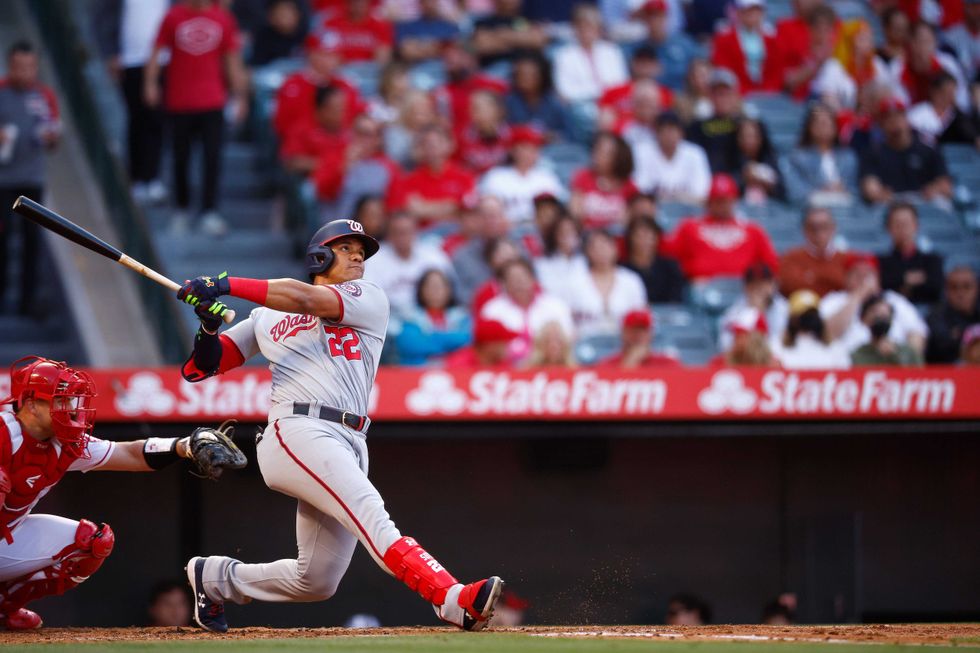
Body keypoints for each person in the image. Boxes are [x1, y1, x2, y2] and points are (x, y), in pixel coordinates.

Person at [175, 220, 504, 633]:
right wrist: (208, 325)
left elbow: (305, 298)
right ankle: (452, 598)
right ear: (319, 256)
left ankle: (217, 578)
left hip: (349, 437)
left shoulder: (367, 296)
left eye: (361, 253)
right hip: (297, 428)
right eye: (346, 248)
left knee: (316, 580)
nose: (357, 258)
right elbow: (200, 368)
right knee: (372, 515)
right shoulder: (265, 315)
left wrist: (222, 284)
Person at [0, 356, 244, 630]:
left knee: (93, 540)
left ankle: (4, 607)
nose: (70, 409)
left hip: (7, 536)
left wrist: (184, 445)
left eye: (71, 400)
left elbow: (127, 453)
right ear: (31, 405)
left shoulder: (66, 444)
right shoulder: (4, 432)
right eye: (60, 400)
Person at [144, 0, 248, 236]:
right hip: (179, 100)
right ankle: (181, 210)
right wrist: (150, 82)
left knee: (212, 158)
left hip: (212, 101)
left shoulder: (223, 19)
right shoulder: (173, 17)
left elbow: (232, 59)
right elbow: (157, 50)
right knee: (180, 157)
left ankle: (209, 211)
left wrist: (240, 95)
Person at [0, 42, 61, 317]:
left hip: (31, 181)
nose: (23, 73)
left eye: (28, 67)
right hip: (3, 181)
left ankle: (28, 304)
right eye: (17, 67)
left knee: (32, 243)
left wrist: (51, 137)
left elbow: (54, 132)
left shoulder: (44, 95)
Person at [95, 0, 169, 203]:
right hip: (130, 60)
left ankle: (152, 176)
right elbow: (104, 17)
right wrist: (110, 53)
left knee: (156, 119)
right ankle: (136, 177)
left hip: (163, 60)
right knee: (136, 118)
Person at [662, 174, 780, 282]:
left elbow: (771, 265)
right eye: (717, 201)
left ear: (734, 201)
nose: (722, 206)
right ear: (708, 202)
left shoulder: (753, 231)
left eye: (726, 200)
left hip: (745, 293)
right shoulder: (689, 227)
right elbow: (666, 254)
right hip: (701, 291)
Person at [819, 252, 928, 355]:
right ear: (846, 278)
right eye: (857, 274)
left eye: (868, 274)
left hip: (890, 364)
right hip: (846, 367)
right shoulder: (835, 300)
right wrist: (858, 295)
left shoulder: (893, 300)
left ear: (878, 277)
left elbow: (917, 333)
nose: (863, 280)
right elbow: (827, 333)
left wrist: (904, 356)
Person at [859, 98, 953, 206]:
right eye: (888, 117)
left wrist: (935, 188)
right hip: (891, 204)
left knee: (942, 203)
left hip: (923, 202)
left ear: (907, 119)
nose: (894, 121)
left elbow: (946, 185)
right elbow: (870, 187)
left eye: (899, 115)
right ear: (881, 124)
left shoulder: (927, 150)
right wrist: (877, 192)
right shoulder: (873, 153)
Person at [479, 258, 575, 363]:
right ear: (504, 284)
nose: (518, 283)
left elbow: (568, 338)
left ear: (533, 278)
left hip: (547, 366)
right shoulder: (492, 310)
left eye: (522, 277)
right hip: (506, 369)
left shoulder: (555, 305)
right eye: (513, 279)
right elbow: (485, 349)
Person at [272, 30, 362, 140]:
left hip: (339, 145)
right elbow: (282, 125)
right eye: (323, 54)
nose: (328, 60)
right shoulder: (293, 85)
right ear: (310, 54)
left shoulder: (346, 85)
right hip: (301, 145)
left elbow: (352, 122)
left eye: (333, 55)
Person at [363, 213, 453, 316]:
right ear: (388, 234)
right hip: (389, 318)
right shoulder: (373, 259)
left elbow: (451, 291)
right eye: (398, 232)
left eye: (408, 231)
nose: (403, 237)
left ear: (416, 232)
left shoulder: (434, 255)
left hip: (428, 319)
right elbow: (369, 299)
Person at [387, 124, 477, 228]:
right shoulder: (409, 179)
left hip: (457, 235)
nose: (432, 148)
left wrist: (424, 208)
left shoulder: (464, 177)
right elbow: (407, 212)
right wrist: (450, 206)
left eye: (437, 143)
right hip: (422, 237)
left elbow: (468, 212)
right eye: (426, 144)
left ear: (449, 144)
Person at [313, 115, 402, 219]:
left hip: (372, 231)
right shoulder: (335, 157)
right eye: (358, 133)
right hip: (337, 226)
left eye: (367, 135)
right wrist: (344, 167)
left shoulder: (389, 167)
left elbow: (394, 206)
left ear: (377, 140)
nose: (361, 139)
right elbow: (322, 192)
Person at [566, 229, 648, 338]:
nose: (601, 252)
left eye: (605, 246)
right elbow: (566, 319)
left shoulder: (631, 280)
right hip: (584, 344)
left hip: (625, 343)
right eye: (596, 248)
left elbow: (642, 318)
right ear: (587, 252)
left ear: (615, 249)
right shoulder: (575, 282)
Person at [479, 125, 564, 225]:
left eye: (534, 147)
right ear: (512, 150)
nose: (529, 153)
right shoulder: (495, 177)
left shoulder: (547, 178)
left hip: (539, 232)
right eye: (525, 147)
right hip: (505, 232)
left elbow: (558, 210)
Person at [783, 103, 859, 206]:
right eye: (818, 123)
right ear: (809, 127)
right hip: (813, 208)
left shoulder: (849, 157)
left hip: (846, 207)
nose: (823, 126)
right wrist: (823, 189)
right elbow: (796, 192)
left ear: (835, 128)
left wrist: (843, 188)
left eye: (827, 123)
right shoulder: (796, 158)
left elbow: (856, 190)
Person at [553, 4, 629, 103]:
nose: (586, 31)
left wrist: (601, 94)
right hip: (580, 104)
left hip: (611, 102)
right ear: (575, 29)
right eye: (582, 27)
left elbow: (621, 82)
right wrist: (598, 92)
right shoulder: (563, 55)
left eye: (590, 27)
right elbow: (565, 90)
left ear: (598, 29)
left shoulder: (612, 51)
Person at [395, 269, 472, 366]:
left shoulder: (461, 316)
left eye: (439, 286)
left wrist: (428, 338)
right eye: (430, 286)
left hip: (455, 372)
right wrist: (450, 344)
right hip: (415, 374)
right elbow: (410, 344)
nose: (435, 290)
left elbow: (467, 341)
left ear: (449, 289)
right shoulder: (409, 316)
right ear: (421, 290)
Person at [632, 110, 711, 204]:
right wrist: (677, 196)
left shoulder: (695, 153)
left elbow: (702, 194)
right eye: (664, 130)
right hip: (654, 209)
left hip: (688, 210)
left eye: (672, 130)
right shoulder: (642, 151)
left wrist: (671, 196)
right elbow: (639, 189)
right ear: (656, 133)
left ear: (681, 133)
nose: (668, 135)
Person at [710, 0, 783, 94]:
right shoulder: (723, 39)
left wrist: (767, 92)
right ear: (739, 12)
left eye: (756, 10)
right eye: (749, 10)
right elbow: (724, 69)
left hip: (768, 94)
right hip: (737, 94)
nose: (753, 14)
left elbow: (776, 71)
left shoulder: (772, 40)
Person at [877, 201, 944, 305]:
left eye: (906, 223)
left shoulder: (932, 260)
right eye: (897, 224)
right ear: (888, 228)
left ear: (916, 226)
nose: (903, 229)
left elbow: (935, 288)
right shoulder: (880, 261)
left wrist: (900, 283)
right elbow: (882, 285)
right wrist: (906, 279)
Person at [569, 132, 639, 230]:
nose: (598, 156)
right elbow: (575, 213)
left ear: (618, 157)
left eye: (605, 152)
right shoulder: (582, 177)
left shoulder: (629, 185)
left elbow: (633, 219)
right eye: (597, 150)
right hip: (588, 237)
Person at [895, 21, 969, 110]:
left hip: (946, 115)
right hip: (914, 117)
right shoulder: (898, 67)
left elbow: (962, 97)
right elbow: (900, 104)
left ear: (935, 43)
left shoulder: (947, 63)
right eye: (919, 41)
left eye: (928, 41)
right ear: (911, 43)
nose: (923, 47)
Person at [632, 0, 702, 90]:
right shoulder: (637, 48)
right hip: (652, 98)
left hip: (682, 96)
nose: (654, 21)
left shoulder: (683, 43)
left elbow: (700, 66)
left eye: (658, 16)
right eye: (650, 17)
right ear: (644, 20)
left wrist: (663, 73)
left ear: (665, 17)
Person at [778, 206, 848, 297]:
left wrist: (812, 278)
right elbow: (790, 286)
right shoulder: (790, 257)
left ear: (833, 228)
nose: (819, 233)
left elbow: (850, 287)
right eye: (813, 227)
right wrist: (832, 282)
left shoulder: (846, 259)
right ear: (804, 230)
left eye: (824, 226)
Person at [718, 262, 788, 353]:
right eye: (754, 283)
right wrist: (753, 312)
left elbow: (786, 345)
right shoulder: (734, 313)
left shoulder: (784, 309)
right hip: (745, 362)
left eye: (764, 283)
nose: (759, 288)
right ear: (746, 287)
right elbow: (725, 346)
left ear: (773, 284)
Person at [280, 85, 350, 176]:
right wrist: (331, 165)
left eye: (343, 108)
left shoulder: (348, 129)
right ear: (321, 110)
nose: (342, 113)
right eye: (337, 109)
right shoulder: (302, 130)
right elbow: (292, 162)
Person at [774, 289, 851, 369]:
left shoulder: (834, 347)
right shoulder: (778, 346)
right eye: (804, 314)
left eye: (812, 313)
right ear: (793, 318)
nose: (809, 318)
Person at [503, 51, 571, 140]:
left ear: (542, 76)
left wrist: (550, 136)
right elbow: (503, 133)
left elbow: (569, 135)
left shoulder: (554, 102)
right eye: (521, 74)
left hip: (550, 150)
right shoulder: (508, 102)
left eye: (531, 75)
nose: (525, 79)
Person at [685, 68, 743, 174]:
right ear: (710, 96)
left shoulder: (746, 126)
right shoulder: (697, 127)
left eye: (727, 94)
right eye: (719, 94)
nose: (723, 99)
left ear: (735, 96)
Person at [622, 215, 685, 304]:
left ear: (657, 238)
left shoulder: (670, 267)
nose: (644, 241)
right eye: (639, 236)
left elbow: (675, 299)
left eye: (649, 236)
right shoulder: (622, 269)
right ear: (630, 238)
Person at [907, 72, 980, 148]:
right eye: (946, 92)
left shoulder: (957, 116)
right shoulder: (917, 114)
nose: (950, 97)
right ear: (934, 92)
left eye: (952, 93)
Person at [851, 294, 924, 366]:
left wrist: (893, 355)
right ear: (864, 319)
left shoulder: (908, 352)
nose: (880, 321)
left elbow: (919, 376)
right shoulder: (858, 354)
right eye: (876, 316)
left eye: (884, 317)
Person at [926, 266, 980, 363]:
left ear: (976, 288)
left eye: (967, 287)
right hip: (947, 372)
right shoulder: (936, 316)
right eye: (954, 287)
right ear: (946, 291)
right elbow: (942, 345)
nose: (960, 293)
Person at [472, 0, 548, 68]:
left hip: (523, 72)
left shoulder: (529, 20)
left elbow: (539, 41)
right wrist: (523, 40)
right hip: (494, 71)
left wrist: (499, 36)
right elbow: (482, 45)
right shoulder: (485, 22)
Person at [534, 214, 588, 306]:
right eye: (563, 232)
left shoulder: (585, 261)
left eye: (572, 231)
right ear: (554, 235)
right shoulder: (542, 264)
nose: (568, 236)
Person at [597, 310, 680, 367]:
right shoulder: (607, 364)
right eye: (634, 330)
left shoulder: (668, 364)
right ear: (623, 333)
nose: (639, 335)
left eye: (643, 330)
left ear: (651, 333)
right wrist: (630, 363)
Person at [455, 91, 511, 175]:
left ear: (496, 110)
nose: (471, 112)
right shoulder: (461, 136)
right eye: (470, 108)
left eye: (476, 108)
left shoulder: (511, 135)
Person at [323, 0, 394, 64]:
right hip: (340, 68)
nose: (358, 6)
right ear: (347, 4)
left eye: (362, 3)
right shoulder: (333, 23)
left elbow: (384, 52)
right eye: (355, 2)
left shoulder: (379, 25)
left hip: (369, 69)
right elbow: (327, 51)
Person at [730, 117, 783, 203]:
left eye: (753, 136)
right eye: (744, 136)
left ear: (761, 137)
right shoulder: (728, 161)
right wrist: (744, 179)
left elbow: (784, 194)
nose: (748, 140)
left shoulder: (772, 161)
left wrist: (769, 186)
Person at [394, 0, 460, 63]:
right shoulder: (407, 26)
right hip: (413, 68)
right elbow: (406, 51)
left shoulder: (449, 27)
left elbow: (452, 51)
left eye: (432, 1)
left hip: (443, 68)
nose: (429, 4)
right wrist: (436, 48)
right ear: (420, 4)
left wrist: (419, 46)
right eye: (426, 1)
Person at [250, 0, 307, 66]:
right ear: (271, 17)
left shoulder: (305, 34)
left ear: (298, 15)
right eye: (280, 14)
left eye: (287, 14)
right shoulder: (264, 37)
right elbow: (257, 63)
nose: (284, 18)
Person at [443, 318, 517, 368]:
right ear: (489, 345)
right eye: (502, 342)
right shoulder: (460, 364)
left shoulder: (502, 363)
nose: (506, 346)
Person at [944, 0, 980, 82]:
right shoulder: (951, 38)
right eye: (974, 7)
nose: (978, 12)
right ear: (965, 7)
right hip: (960, 88)